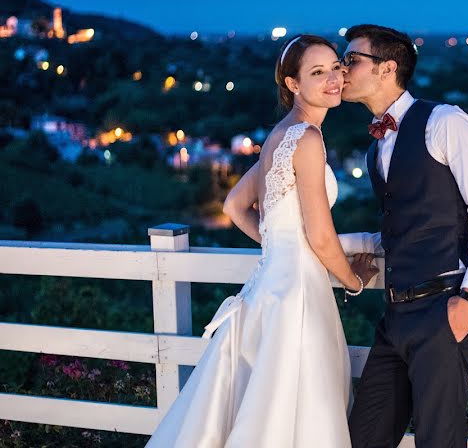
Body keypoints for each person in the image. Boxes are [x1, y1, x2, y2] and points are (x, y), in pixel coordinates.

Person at [147, 34, 380, 447]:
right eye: (317, 72)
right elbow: (322, 237)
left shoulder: (280, 134)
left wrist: (282, 247)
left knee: (269, 401)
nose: (333, 79)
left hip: (272, 282)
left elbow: (236, 206)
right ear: (293, 84)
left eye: (336, 68)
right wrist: (354, 280)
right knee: (300, 403)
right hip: (296, 294)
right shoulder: (306, 139)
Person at [340, 24, 468, 447]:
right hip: (394, 316)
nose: (342, 70)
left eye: (352, 60)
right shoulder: (375, 149)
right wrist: (317, 243)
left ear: (386, 68)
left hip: (443, 306)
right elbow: (401, 229)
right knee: (362, 438)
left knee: (438, 442)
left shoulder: (445, 121)